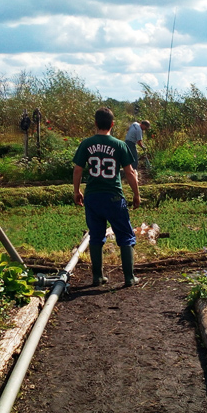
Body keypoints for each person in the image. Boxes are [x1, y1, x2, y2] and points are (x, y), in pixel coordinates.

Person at [73, 108, 142, 286]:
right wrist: (136, 194)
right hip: (113, 197)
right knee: (125, 236)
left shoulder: (86, 144)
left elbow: (78, 169)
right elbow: (130, 173)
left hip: (93, 197)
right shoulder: (120, 145)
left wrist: (77, 191)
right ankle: (129, 277)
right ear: (112, 124)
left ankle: (98, 276)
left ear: (95, 124)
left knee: (96, 235)